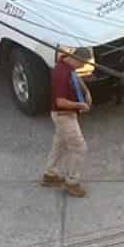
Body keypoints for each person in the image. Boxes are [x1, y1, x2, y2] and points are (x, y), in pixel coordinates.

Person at [42, 52, 92, 197]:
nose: (82, 66)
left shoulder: (66, 62)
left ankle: (50, 174)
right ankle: (72, 183)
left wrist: (86, 91)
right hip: (64, 115)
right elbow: (60, 102)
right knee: (79, 148)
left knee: (60, 144)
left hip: (65, 114)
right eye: (82, 64)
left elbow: (75, 75)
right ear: (76, 58)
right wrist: (80, 105)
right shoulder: (61, 74)